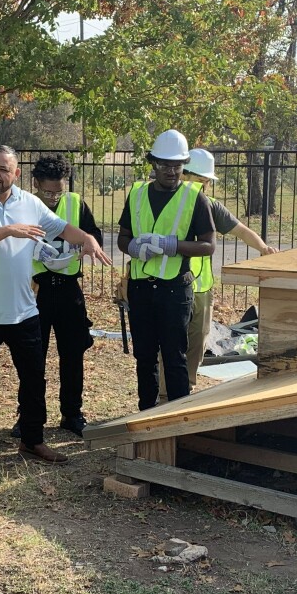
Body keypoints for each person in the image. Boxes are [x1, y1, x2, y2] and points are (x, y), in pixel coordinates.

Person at [0, 145, 111, 470]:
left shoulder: (30, 203)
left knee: (34, 379)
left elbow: (62, 228)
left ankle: (33, 440)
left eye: (3, 169)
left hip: (23, 310)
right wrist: (9, 230)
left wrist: (87, 240)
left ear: (16, 174)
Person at [157, 149, 278, 400]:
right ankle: (164, 393)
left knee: (198, 341)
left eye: (205, 182)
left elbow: (241, 230)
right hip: (169, 286)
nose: (203, 186)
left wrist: (264, 248)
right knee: (170, 342)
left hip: (200, 289)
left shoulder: (211, 206)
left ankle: (184, 391)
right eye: (200, 180)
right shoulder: (166, 204)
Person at [117, 130, 215, 411]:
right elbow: (123, 238)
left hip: (174, 288)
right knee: (144, 356)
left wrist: (172, 245)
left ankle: (175, 418)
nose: (171, 171)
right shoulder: (137, 194)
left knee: (175, 357)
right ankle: (145, 415)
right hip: (141, 288)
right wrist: (134, 247)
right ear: (153, 164)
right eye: (165, 165)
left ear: (184, 165)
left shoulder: (194, 198)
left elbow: (208, 246)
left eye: (177, 165)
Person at [19, 153, 104, 438]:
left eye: (59, 190)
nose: (54, 197)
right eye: (47, 191)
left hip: (68, 289)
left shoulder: (76, 203)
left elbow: (94, 237)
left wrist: (79, 249)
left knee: (73, 354)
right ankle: (29, 416)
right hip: (35, 289)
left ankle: (71, 413)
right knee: (32, 356)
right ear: (35, 183)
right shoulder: (22, 206)